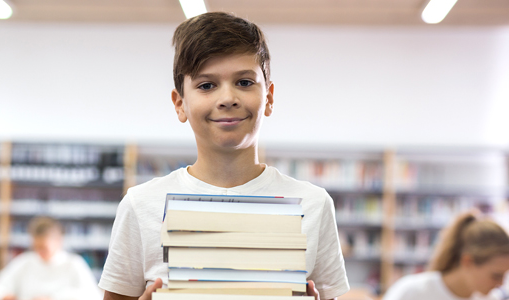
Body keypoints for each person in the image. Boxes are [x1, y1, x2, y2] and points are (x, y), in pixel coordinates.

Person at [98, 12, 350, 300]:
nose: (228, 98)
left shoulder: (315, 204)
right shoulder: (140, 205)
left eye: (244, 82)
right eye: (207, 85)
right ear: (180, 104)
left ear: (268, 98)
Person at [383, 211, 509, 300]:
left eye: (505, 275)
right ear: (467, 261)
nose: (501, 283)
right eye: (497, 275)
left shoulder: (492, 298)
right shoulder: (412, 292)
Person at [0, 216, 102, 300]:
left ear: (58, 241)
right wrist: (3, 295)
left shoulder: (74, 263)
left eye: (43, 247)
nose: (39, 252)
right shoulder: (25, 261)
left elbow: (93, 296)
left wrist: (54, 298)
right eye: (36, 247)